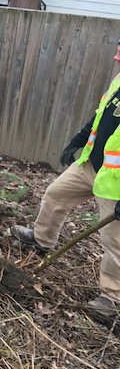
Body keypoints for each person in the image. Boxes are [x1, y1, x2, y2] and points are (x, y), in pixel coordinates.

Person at [11, 41, 120, 314]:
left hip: (116, 183)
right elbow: (100, 116)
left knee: (115, 241)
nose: (117, 62)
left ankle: (111, 298)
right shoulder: (118, 81)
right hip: (92, 166)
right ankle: (41, 239)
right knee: (56, 194)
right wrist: (77, 141)